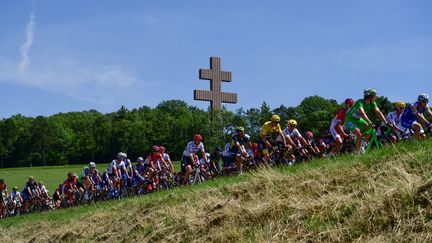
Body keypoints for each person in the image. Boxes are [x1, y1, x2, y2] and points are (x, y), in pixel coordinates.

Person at [345, 88, 389, 153]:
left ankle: (362, 143)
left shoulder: (373, 103)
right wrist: (369, 122)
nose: (375, 98)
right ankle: (357, 153)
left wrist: (385, 122)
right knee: (359, 134)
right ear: (370, 97)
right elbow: (363, 114)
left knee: (371, 129)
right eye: (374, 96)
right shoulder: (359, 102)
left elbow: (378, 112)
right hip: (350, 120)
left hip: (358, 119)